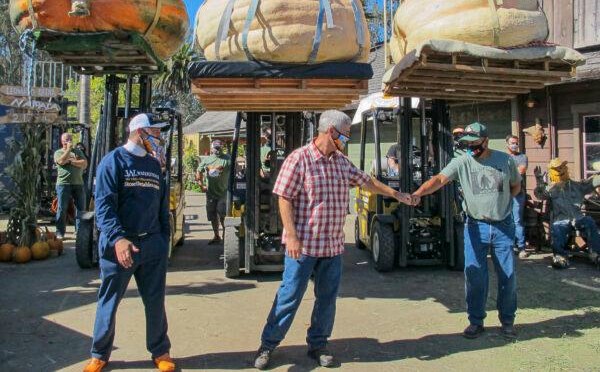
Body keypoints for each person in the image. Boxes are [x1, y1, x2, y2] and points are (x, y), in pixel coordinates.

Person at [254, 110, 412, 370]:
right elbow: (284, 197)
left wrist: (397, 194)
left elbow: (367, 181)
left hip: (332, 247)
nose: (347, 139)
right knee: (290, 295)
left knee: (327, 298)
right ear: (330, 132)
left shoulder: (341, 161)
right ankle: (268, 345)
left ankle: (318, 344)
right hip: (303, 246)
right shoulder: (299, 159)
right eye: (346, 134)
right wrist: (291, 236)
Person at [410, 122, 521, 340]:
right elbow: (440, 179)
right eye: (467, 144)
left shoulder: (505, 160)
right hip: (475, 226)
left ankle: (507, 321)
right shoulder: (462, 161)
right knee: (475, 275)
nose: (470, 147)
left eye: (474, 143)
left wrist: (502, 203)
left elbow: (516, 186)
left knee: (507, 276)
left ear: (486, 141)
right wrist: (419, 193)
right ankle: (476, 321)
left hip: (502, 226)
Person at [83, 113, 175, 372]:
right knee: (109, 301)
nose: (159, 138)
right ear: (140, 132)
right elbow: (103, 206)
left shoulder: (154, 165)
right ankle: (99, 354)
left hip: (151, 245)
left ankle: (161, 351)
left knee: (155, 301)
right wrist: (117, 238)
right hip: (120, 247)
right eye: (156, 133)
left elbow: (160, 206)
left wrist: (163, 239)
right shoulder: (113, 162)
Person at [534, 158, 600, 270]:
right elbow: (540, 195)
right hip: (562, 219)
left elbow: (594, 182)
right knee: (557, 228)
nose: (559, 171)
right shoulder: (551, 190)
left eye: (561, 167)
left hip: (578, 217)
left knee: (589, 221)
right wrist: (539, 180)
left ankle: (596, 254)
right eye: (556, 169)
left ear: (566, 168)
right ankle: (560, 256)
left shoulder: (578, 186)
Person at [196, 139, 231, 244]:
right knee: (212, 214)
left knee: (222, 212)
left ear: (222, 148)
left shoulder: (228, 159)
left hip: (224, 192)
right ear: (212, 148)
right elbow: (199, 171)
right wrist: (201, 184)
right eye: (216, 148)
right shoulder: (207, 160)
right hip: (211, 192)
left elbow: (236, 170)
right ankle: (216, 236)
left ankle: (226, 235)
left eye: (219, 148)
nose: (217, 150)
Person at [54, 133, 87, 239]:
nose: (69, 141)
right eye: (66, 139)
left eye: (70, 139)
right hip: (63, 184)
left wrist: (71, 162)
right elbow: (60, 161)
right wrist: (68, 151)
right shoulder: (58, 152)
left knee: (80, 209)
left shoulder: (78, 152)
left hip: (78, 183)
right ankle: (60, 232)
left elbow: (84, 164)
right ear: (62, 141)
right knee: (62, 208)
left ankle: (79, 232)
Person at [506, 135, 529, 258]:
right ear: (507, 144)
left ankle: (521, 247)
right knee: (505, 220)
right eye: (512, 143)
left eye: (516, 143)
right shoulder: (502, 157)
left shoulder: (522, 157)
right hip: (504, 193)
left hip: (518, 192)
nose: (514, 145)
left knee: (517, 220)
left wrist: (506, 172)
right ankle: (509, 245)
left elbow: (520, 171)